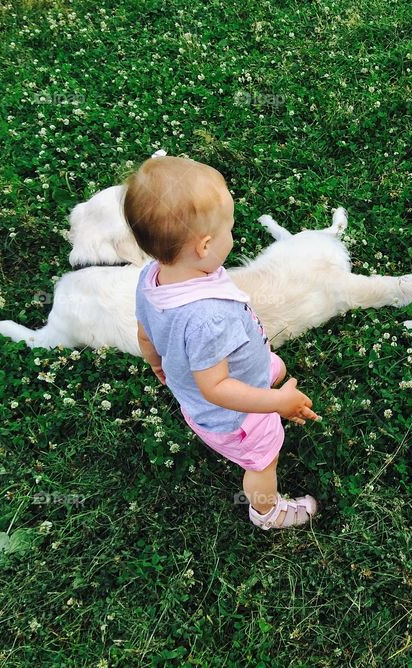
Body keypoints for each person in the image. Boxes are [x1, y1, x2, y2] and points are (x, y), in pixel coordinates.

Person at [125, 155, 319, 530]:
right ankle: (268, 512)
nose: (233, 234)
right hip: (234, 417)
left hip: (198, 388)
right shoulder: (209, 317)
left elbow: (144, 331)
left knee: (263, 369)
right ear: (204, 245)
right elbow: (217, 388)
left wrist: (158, 365)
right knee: (263, 460)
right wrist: (277, 403)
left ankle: (262, 374)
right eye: (229, 228)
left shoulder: (152, 277)